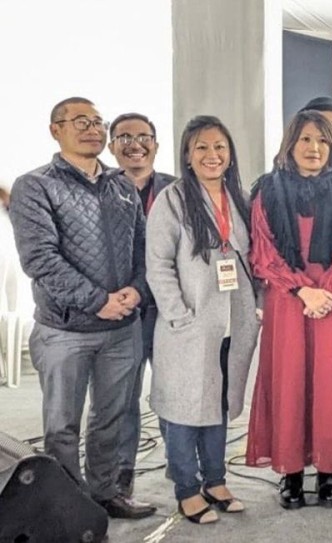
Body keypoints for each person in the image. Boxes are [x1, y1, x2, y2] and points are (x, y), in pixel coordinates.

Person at [9, 97, 155, 519]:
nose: (92, 128)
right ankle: (65, 509)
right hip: (66, 331)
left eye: (97, 121)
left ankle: (106, 494)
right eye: (79, 121)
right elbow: (40, 259)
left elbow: (143, 248)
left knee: (112, 417)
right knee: (62, 427)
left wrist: (136, 290)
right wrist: (98, 301)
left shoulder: (121, 183)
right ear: (55, 129)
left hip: (121, 328)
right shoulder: (34, 185)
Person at [246, 111, 332, 509]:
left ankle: (328, 472)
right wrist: (304, 291)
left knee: (331, 381)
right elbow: (263, 250)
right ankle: (290, 472)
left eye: (323, 141)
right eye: (306, 139)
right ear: (290, 144)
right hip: (291, 302)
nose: (314, 148)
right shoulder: (267, 190)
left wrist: (328, 292)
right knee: (291, 381)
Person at [146, 115, 259, 524]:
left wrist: (257, 306)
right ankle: (186, 488)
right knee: (183, 410)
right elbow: (157, 264)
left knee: (219, 406)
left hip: (233, 322)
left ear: (230, 154)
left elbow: (252, 259)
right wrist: (178, 314)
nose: (212, 155)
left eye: (220, 147)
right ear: (187, 156)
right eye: (202, 148)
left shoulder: (239, 198)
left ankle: (216, 480)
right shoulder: (173, 199)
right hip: (190, 324)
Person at [107, 112, 177, 496]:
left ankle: (180, 465)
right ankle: (122, 473)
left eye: (143, 136)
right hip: (121, 308)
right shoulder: (99, 188)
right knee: (122, 396)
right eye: (124, 137)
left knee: (172, 388)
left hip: (166, 309)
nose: (135, 143)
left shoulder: (177, 189)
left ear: (156, 143)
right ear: (111, 145)